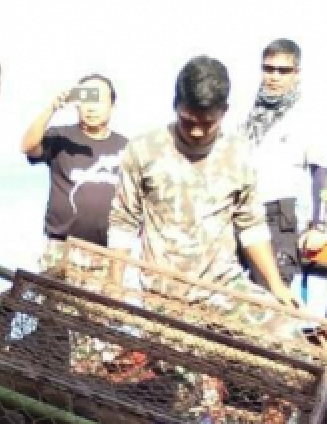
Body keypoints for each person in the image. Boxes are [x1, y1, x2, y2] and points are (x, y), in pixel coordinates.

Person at [107, 56, 299, 304]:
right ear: (176, 105)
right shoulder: (144, 149)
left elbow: (251, 227)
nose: (197, 132)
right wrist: (114, 283)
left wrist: (276, 285)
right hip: (162, 292)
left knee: (284, 334)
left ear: (224, 112)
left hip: (224, 290)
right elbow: (123, 221)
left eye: (207, 124)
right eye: (188, 122)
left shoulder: (238, 153)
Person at [239, 39, 326, 288]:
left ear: (296, 74)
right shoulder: (249, 113)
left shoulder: (305, 115)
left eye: (283, 70)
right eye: (269, 69)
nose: (274, 76)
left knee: (273, 292)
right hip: (243, 208)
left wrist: (317, 226)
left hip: (280, 214)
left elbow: (319, 171)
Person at [20, 75, 128, 248]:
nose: (91, 108)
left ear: (112, 106)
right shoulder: (60, 137)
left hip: (108, 251)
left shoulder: (127, 148)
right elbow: (28, 146)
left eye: (98, 100)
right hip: (62, 246)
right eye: (85, 99)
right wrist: (52, 108)